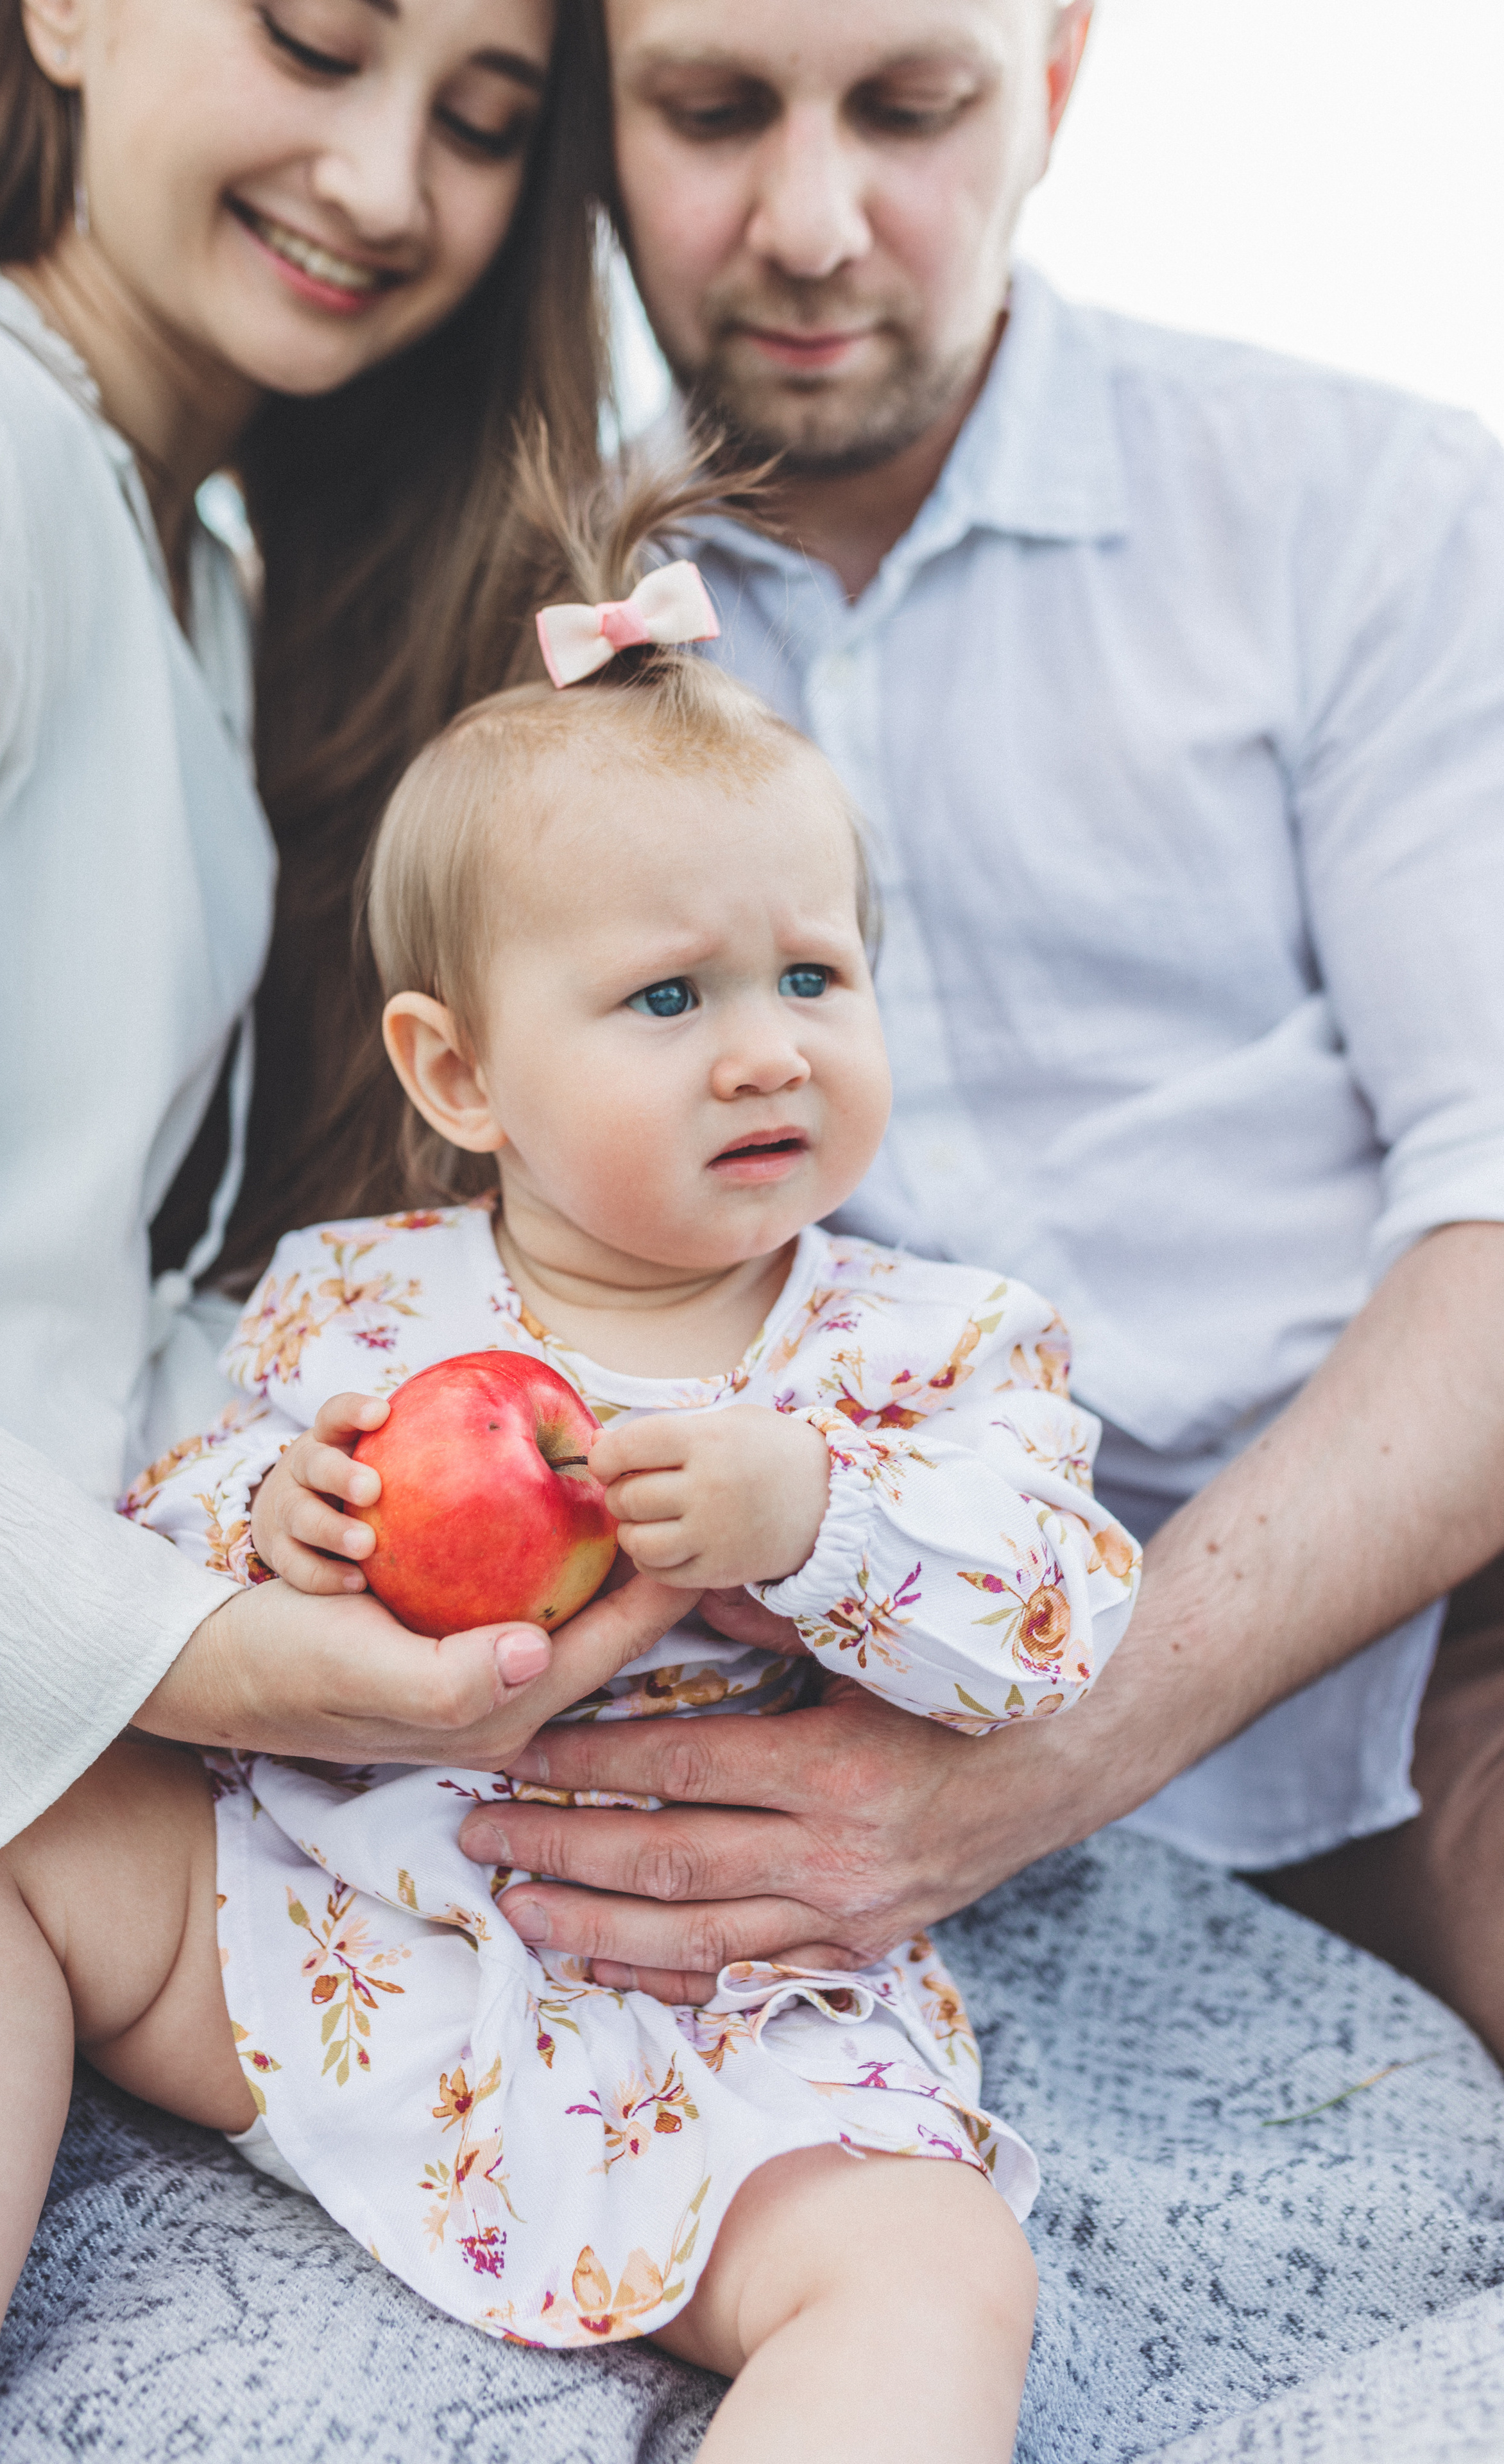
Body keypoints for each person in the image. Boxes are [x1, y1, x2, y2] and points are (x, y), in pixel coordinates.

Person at [0, 510, 1144, 2463]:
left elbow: (1056, 1614)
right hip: (323, 1925)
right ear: (459, 1079)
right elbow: (185, 1513)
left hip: (701, 2025)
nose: (763, 1053)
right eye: (667, 999)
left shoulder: (930, 1349)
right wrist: (258, 1524)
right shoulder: (364, 1302)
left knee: (935, 2267)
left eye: (815, 974)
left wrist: (816, 1519)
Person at [440, 0, 1504, 2049]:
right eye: (716, 109)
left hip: (1421, 1631)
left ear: (1060, 74)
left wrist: (1044, 1757)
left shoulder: (1368, 510)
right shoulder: (509, 638)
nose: (816, 222)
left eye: (913, 107)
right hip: (792, 1647)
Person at [0, 0, 697, 2390]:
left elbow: (46, 1255)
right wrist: (210, 1652)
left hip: (0, 1720)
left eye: (483, 120)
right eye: (320, 38)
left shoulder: (181, 541)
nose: (385, 176)